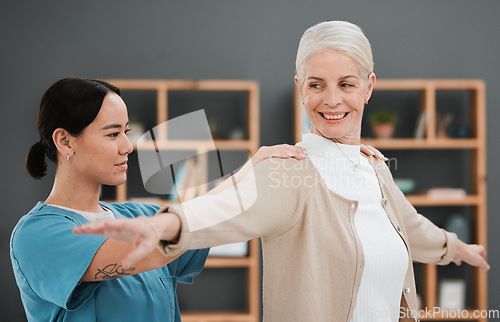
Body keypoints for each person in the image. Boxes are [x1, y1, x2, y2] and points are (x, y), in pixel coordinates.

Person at [73, 21, 490, 322]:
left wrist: (458, 249)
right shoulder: (290, 170)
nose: (330, 100)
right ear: (299, 88)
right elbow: (226, 213)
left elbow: (411, 226)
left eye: (346, 84)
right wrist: (166, 226)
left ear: (369, 86)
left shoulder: (374, 167)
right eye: (315, 84)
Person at [10, 77, 330, 322]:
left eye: (126, 131)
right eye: (112, 134)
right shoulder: (37, 235)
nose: (128, 146)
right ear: (65, 140)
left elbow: (198, 218)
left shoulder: (137, 213)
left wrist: (254, 170)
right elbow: (153, 246)